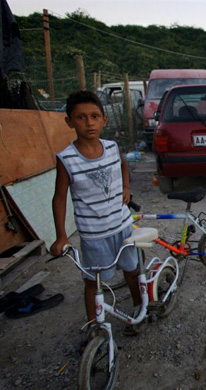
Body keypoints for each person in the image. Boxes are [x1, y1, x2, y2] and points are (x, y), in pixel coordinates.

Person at [50, 90, 142, 336]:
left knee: (132, 270)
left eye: (94, 116)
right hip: (94, 234)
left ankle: (138, 308)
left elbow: (123, 164)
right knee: (93, 281)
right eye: (80, 117)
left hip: (122, 225)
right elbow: (59, 198)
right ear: (69, 121)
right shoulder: (67, 159)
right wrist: (61, 236)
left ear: (104, 120)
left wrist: (126, 187)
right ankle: (94, 327)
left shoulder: (112, 147)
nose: (89, 123)